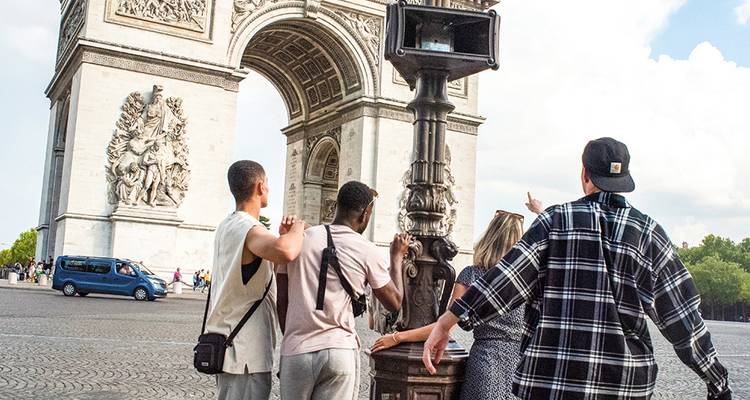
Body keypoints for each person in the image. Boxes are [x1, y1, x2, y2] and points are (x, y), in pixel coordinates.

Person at [423, 137, 732, 400]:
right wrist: (716, 381)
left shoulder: (554, 222)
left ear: (585, 173)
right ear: (624, 179)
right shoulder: (648, 233)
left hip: (552, 380)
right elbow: (683, 318)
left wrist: (446, 323)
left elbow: (503, 281)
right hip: (623, 384)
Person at [372, 210, 526, 400]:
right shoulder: (528, 282)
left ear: (489, 237)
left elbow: (446, 326)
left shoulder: (472, 275)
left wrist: (397, 337)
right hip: (522, 368)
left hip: (486, 364)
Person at [277, 181, 410, 400]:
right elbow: (394, 302)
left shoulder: (298, 239)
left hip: (296, 350)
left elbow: (281, 300)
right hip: (339, 349)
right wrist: (396, 257)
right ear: (365, 213)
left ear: (336, 205)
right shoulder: (366, 249)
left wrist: (292, 337)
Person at [204, 160, 305, 400]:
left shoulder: (227, 225)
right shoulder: (248, 228)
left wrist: (280, 237)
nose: (268, 188)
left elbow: (257, 268)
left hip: (231, 347)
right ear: (260, 187)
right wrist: (298, 229)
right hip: (245, 354)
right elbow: (287, 252)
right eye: (268, 184)